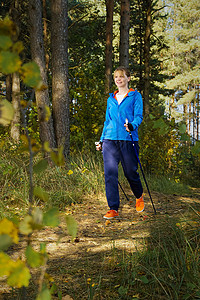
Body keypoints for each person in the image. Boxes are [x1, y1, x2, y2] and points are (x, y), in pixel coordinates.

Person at [96, 66, 144, 219]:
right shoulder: (111, 99)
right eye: (116, 76)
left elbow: (138, 116)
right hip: (110, 140)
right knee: (110, 174)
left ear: (128, 79)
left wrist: (132, 125)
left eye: (121, 76)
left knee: (130, 172)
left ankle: (139, 195)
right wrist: (101, 140)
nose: (118, 79)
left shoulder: (135, 96)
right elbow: (107, 121)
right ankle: (113, 208)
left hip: (128, 139)